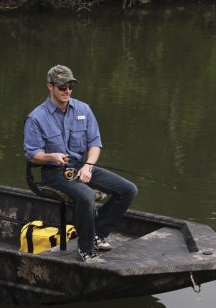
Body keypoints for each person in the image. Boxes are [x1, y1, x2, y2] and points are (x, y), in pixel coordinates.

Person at [23, 65, 137, 261]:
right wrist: (51, 157)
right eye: (62, 87)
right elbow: (33, 155)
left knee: (128, 190)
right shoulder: (36, 118)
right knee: (86, 195)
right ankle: (85, 249)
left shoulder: (83, 109)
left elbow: (95, 144)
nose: (67, 91)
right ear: (50, 87)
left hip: (81, 167)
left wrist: (88, 166)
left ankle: (98, 233)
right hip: (54, 173)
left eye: (70, 86)